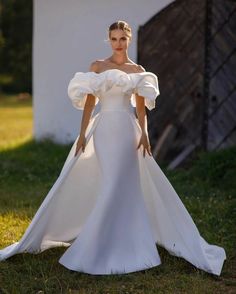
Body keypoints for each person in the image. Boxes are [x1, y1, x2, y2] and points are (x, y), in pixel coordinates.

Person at [0, 20, 226, 276]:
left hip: (129, 132)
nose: (118, 43)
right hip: (105, 130)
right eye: (114, 39)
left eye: (123, 38)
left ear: (129, 40)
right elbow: (89, 104)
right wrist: (83, 134)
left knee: (124, 185)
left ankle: (124, 241)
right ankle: (96, 245)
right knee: (110, 183)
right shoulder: (97, 66)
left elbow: (140, 108)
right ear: (109, 40)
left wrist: (146, 135)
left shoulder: (138, 70)